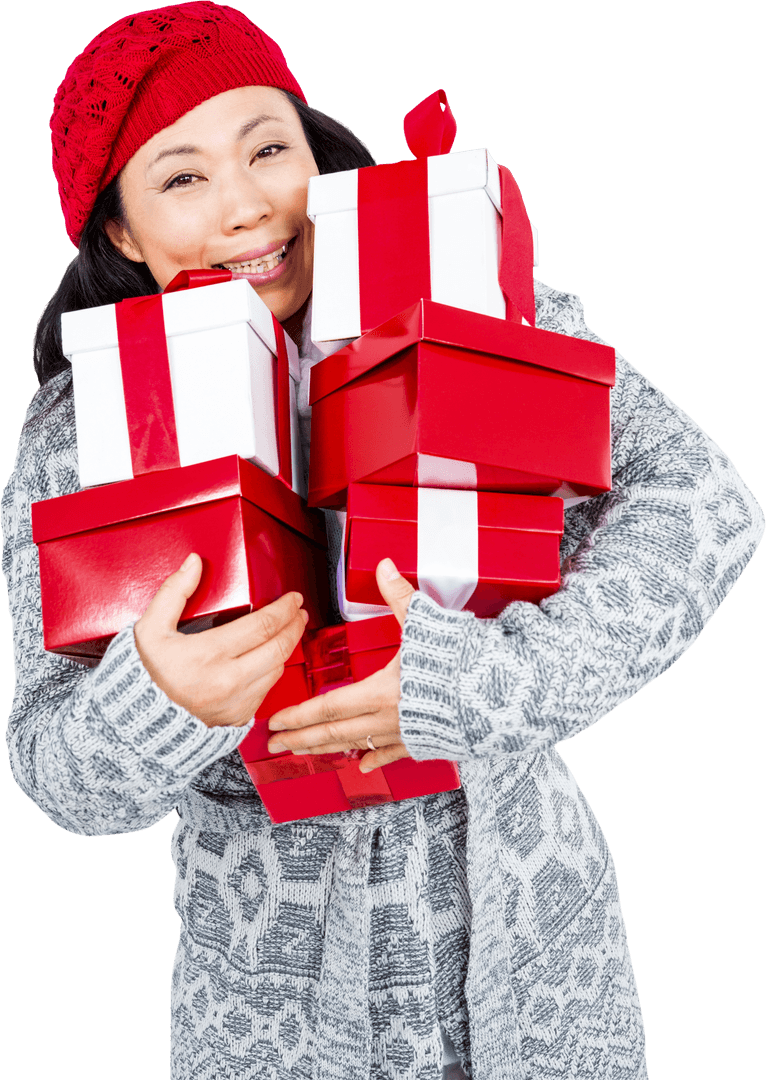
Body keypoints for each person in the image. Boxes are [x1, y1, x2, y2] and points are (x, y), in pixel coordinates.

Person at [2, 3, 763, 1079]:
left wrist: (489, 682)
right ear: (119, 233)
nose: (246, 206)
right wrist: (157, 696)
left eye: (270, 149)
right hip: (269, 1017)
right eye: (181, 178)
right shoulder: (78, 437)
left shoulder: (483, 306)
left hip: (535, 970)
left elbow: (703, 505)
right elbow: (54, 771)